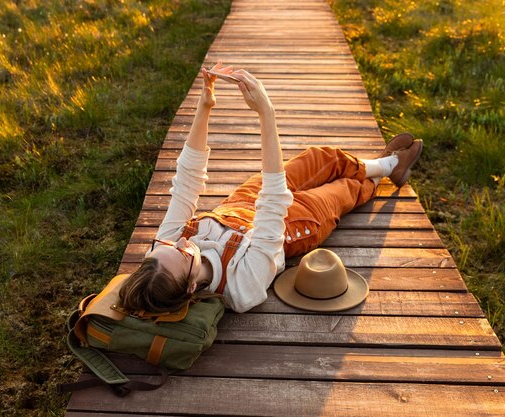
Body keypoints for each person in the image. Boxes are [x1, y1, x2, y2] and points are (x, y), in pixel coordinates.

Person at [119, 63, 423, 313]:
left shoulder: (164, 254)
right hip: (291, 224)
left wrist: (205, 107)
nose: (181, 242)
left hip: (240, 203)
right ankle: (387, 167)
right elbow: (274, 202)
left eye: (167, 246)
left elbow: (186, 183)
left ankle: (384, 164)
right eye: (184, 254)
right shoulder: (242, 286)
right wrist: (266, 113)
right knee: (346, 189)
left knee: (319, 157)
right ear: (190, 287)